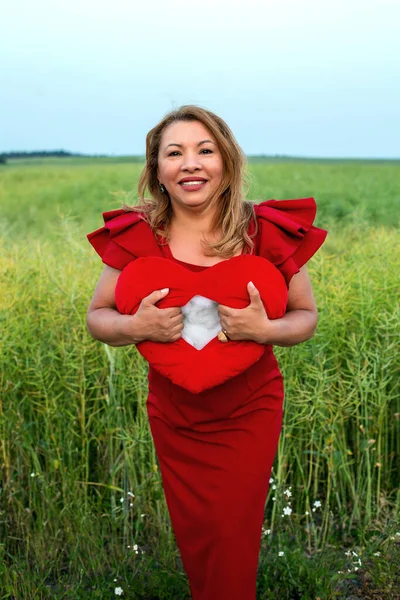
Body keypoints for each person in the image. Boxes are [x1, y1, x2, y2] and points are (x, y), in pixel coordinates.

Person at [86, 105, 327, 600]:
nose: (190, 163)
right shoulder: (137, 235)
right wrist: (136, 325)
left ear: (227, 161)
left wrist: (264, 330)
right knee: (198, 534)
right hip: (176, 413)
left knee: (230, 531)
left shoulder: (263, 230)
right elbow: (98, 318)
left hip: (249, 407)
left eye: (205, 150)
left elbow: (306, 317)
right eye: (174, 153)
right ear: (157, 170)